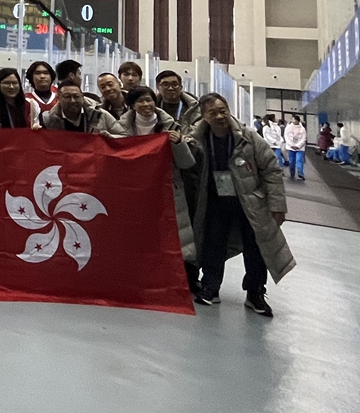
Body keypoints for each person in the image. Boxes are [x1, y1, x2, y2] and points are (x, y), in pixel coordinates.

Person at [188, 93, 295, 316]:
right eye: (212, 113)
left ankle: (255, 293)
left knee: (256, 248)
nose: (219, 116)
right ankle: (210, 287)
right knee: (213, 245)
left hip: (250, 202)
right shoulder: (197, 138)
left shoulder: (248, 137)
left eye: (222, 110)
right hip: (216, 201)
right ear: (203, 116)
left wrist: (277, 205)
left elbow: (271, 170)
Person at [109, 86, 199, 291]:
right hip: (135, 192)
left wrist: (178, 144)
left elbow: (187, 163)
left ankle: (186, 279)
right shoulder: (120, 128)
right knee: (138, 236)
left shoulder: (171, 125)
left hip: (168, 190)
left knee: (177, 236)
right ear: (131, 106)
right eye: (140, 101)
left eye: (149, 100)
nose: (146, 105)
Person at [41, 79, 117, 134]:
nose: (73, 100)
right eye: (67, 97)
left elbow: (123, 135)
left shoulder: (100, 114)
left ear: (82, 97)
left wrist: (110, 137)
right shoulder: (48, 120)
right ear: (59, 99)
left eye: (76, 96)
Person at [284, 115, 307, 181]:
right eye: (292, 119)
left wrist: (298, 146)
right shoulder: (288, 127)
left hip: (299, 148)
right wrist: (291, 145)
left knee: (299, 161)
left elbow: (304, 138)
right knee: (291, 161)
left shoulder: (302, 129)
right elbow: (286, 136)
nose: (293, 121)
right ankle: (292, 173)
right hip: (290, 147)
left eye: (295, 119)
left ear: (298, 120)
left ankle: (300, 174)